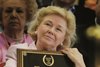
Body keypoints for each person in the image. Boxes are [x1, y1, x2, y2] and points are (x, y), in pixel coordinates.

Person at [4, 6, 86, 67]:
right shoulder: (18, 50)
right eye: (48, 24)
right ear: (37, 27)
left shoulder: (69, 59)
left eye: (58, 29)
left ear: (64, 38)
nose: (51, 31)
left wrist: (80, 64)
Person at [0, 0, 38, 66]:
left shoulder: (35, 42)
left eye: (19, 11)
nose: (13, 15)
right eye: (8, 11)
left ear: (28, 15)